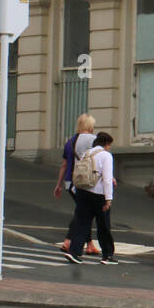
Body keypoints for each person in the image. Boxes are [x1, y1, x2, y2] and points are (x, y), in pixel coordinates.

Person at [62, 132, 118, 265]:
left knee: (82, 223)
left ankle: (74, 252)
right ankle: (107, 256)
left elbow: (79, 172)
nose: (109, 148)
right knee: (103, 225)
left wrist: (76, 190)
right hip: (98, 194)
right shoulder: (106, 156)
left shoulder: (85, 154)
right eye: (109, 145)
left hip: (82, 191)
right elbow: (107, 179)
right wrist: (108, 199)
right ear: (106, 144)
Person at [53, 114, 100, 256]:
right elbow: (100, 159)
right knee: (84, 213)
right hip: (86, 181)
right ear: (90, 125)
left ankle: (88, 244)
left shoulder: (70, 141)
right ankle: (69, 241)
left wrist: (58, 184)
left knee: (83, 211)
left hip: (70, 181)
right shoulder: (94, 140)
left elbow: (64, 164)